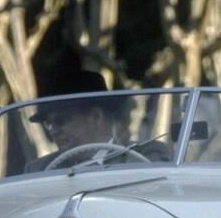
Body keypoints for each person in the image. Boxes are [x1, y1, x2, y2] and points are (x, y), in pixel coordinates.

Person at [24, 70, 170, 172]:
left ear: (95, 117)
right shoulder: (39, 169)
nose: (53, 131)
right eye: (48, 123)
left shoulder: (146, 156)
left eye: (61, 121)